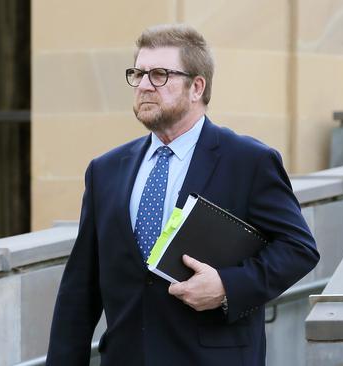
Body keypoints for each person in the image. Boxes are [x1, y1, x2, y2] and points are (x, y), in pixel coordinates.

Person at [46, 24, 319, 366]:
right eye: (138, 74)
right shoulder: (105, 170)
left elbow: (299, 249)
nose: (144, 85)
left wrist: (226, 286)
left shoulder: (248, 161)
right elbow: (79, 290)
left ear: (197, 87)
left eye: (159, 74)